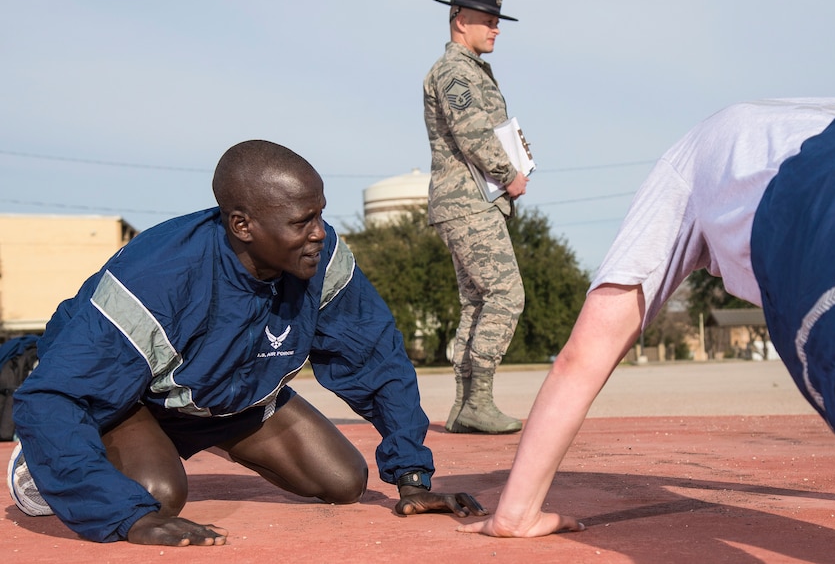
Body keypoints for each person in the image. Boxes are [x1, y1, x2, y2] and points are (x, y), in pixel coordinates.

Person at [7, 139, 486, 546]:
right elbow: (50, 399)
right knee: (155, 497)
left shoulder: (322, 258)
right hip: (134, 395)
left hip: (227, 392)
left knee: (344, 481)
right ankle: (44, 459)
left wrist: (411, 477)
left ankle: (198, 434)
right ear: (243, 226)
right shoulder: (157, 279)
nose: (319, 233)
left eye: (320, 214)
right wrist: (125, 518)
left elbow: (376, 358)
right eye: (303, 221)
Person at [457, 96, 835, 537]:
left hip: (826, 200)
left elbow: (584, 355)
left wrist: (515, 513)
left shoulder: (692, 162)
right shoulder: (804, 116)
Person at [424, 0, 529, 434]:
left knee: (476, 301)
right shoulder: (455, 72)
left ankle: (466, 406)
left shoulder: (469, 69)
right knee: (507, 295)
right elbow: (472, 135)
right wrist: (510, 175)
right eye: (488, 20)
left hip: (469, 202)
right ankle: (478, 403)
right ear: (460, 19)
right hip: (468, 201)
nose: (496, 29)